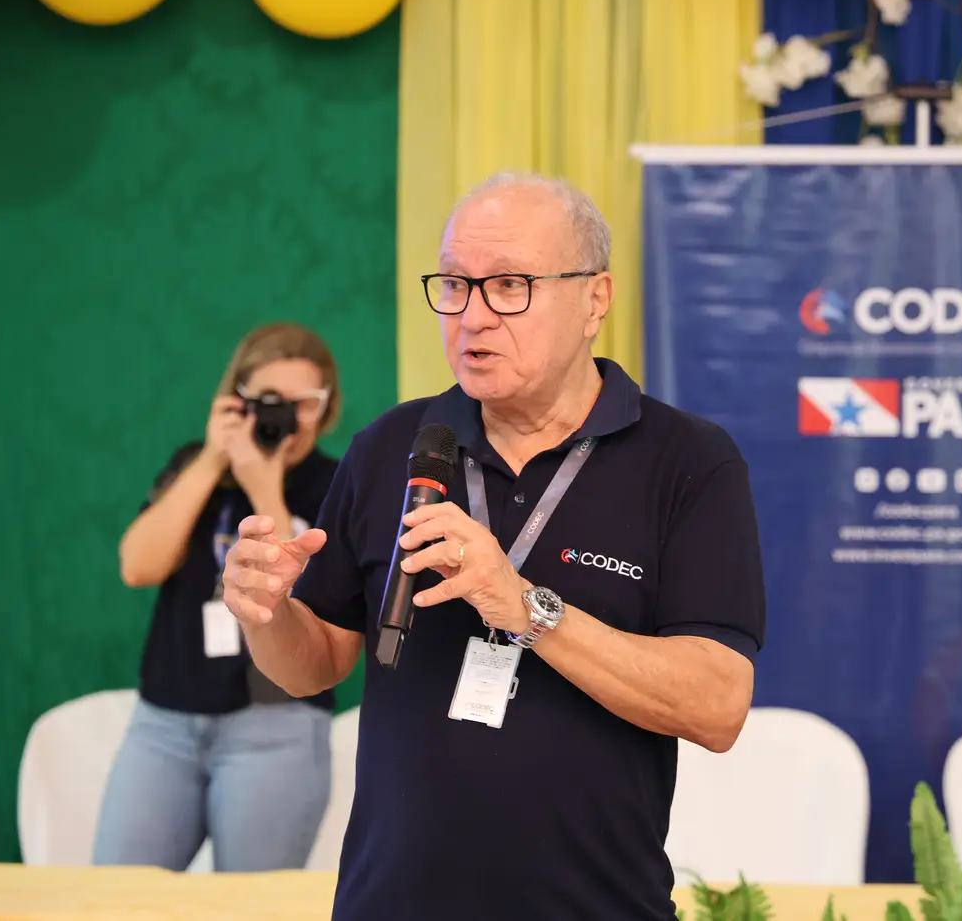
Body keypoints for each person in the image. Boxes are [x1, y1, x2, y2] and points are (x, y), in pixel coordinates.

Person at [222, 173, 766, 919]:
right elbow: (313, 664)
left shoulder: (688, 460)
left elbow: (717, 706)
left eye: (510, 285)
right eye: (455, 284)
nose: (473, 316)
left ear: (595, 299)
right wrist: (267, 613)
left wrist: (526, 608)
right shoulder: (393, 445)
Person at [93, 322, 342, 873]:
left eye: (304, 403)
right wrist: (212, 459)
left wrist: (263, 484)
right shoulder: (195, 465)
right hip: (165, 721)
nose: (286, 418)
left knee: (249, 907)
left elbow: (298, 592)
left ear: (326, 409)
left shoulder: (335, 483)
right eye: (271, 401)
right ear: (238, 400)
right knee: (116, 898)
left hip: (277, 726)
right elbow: (138, 566)